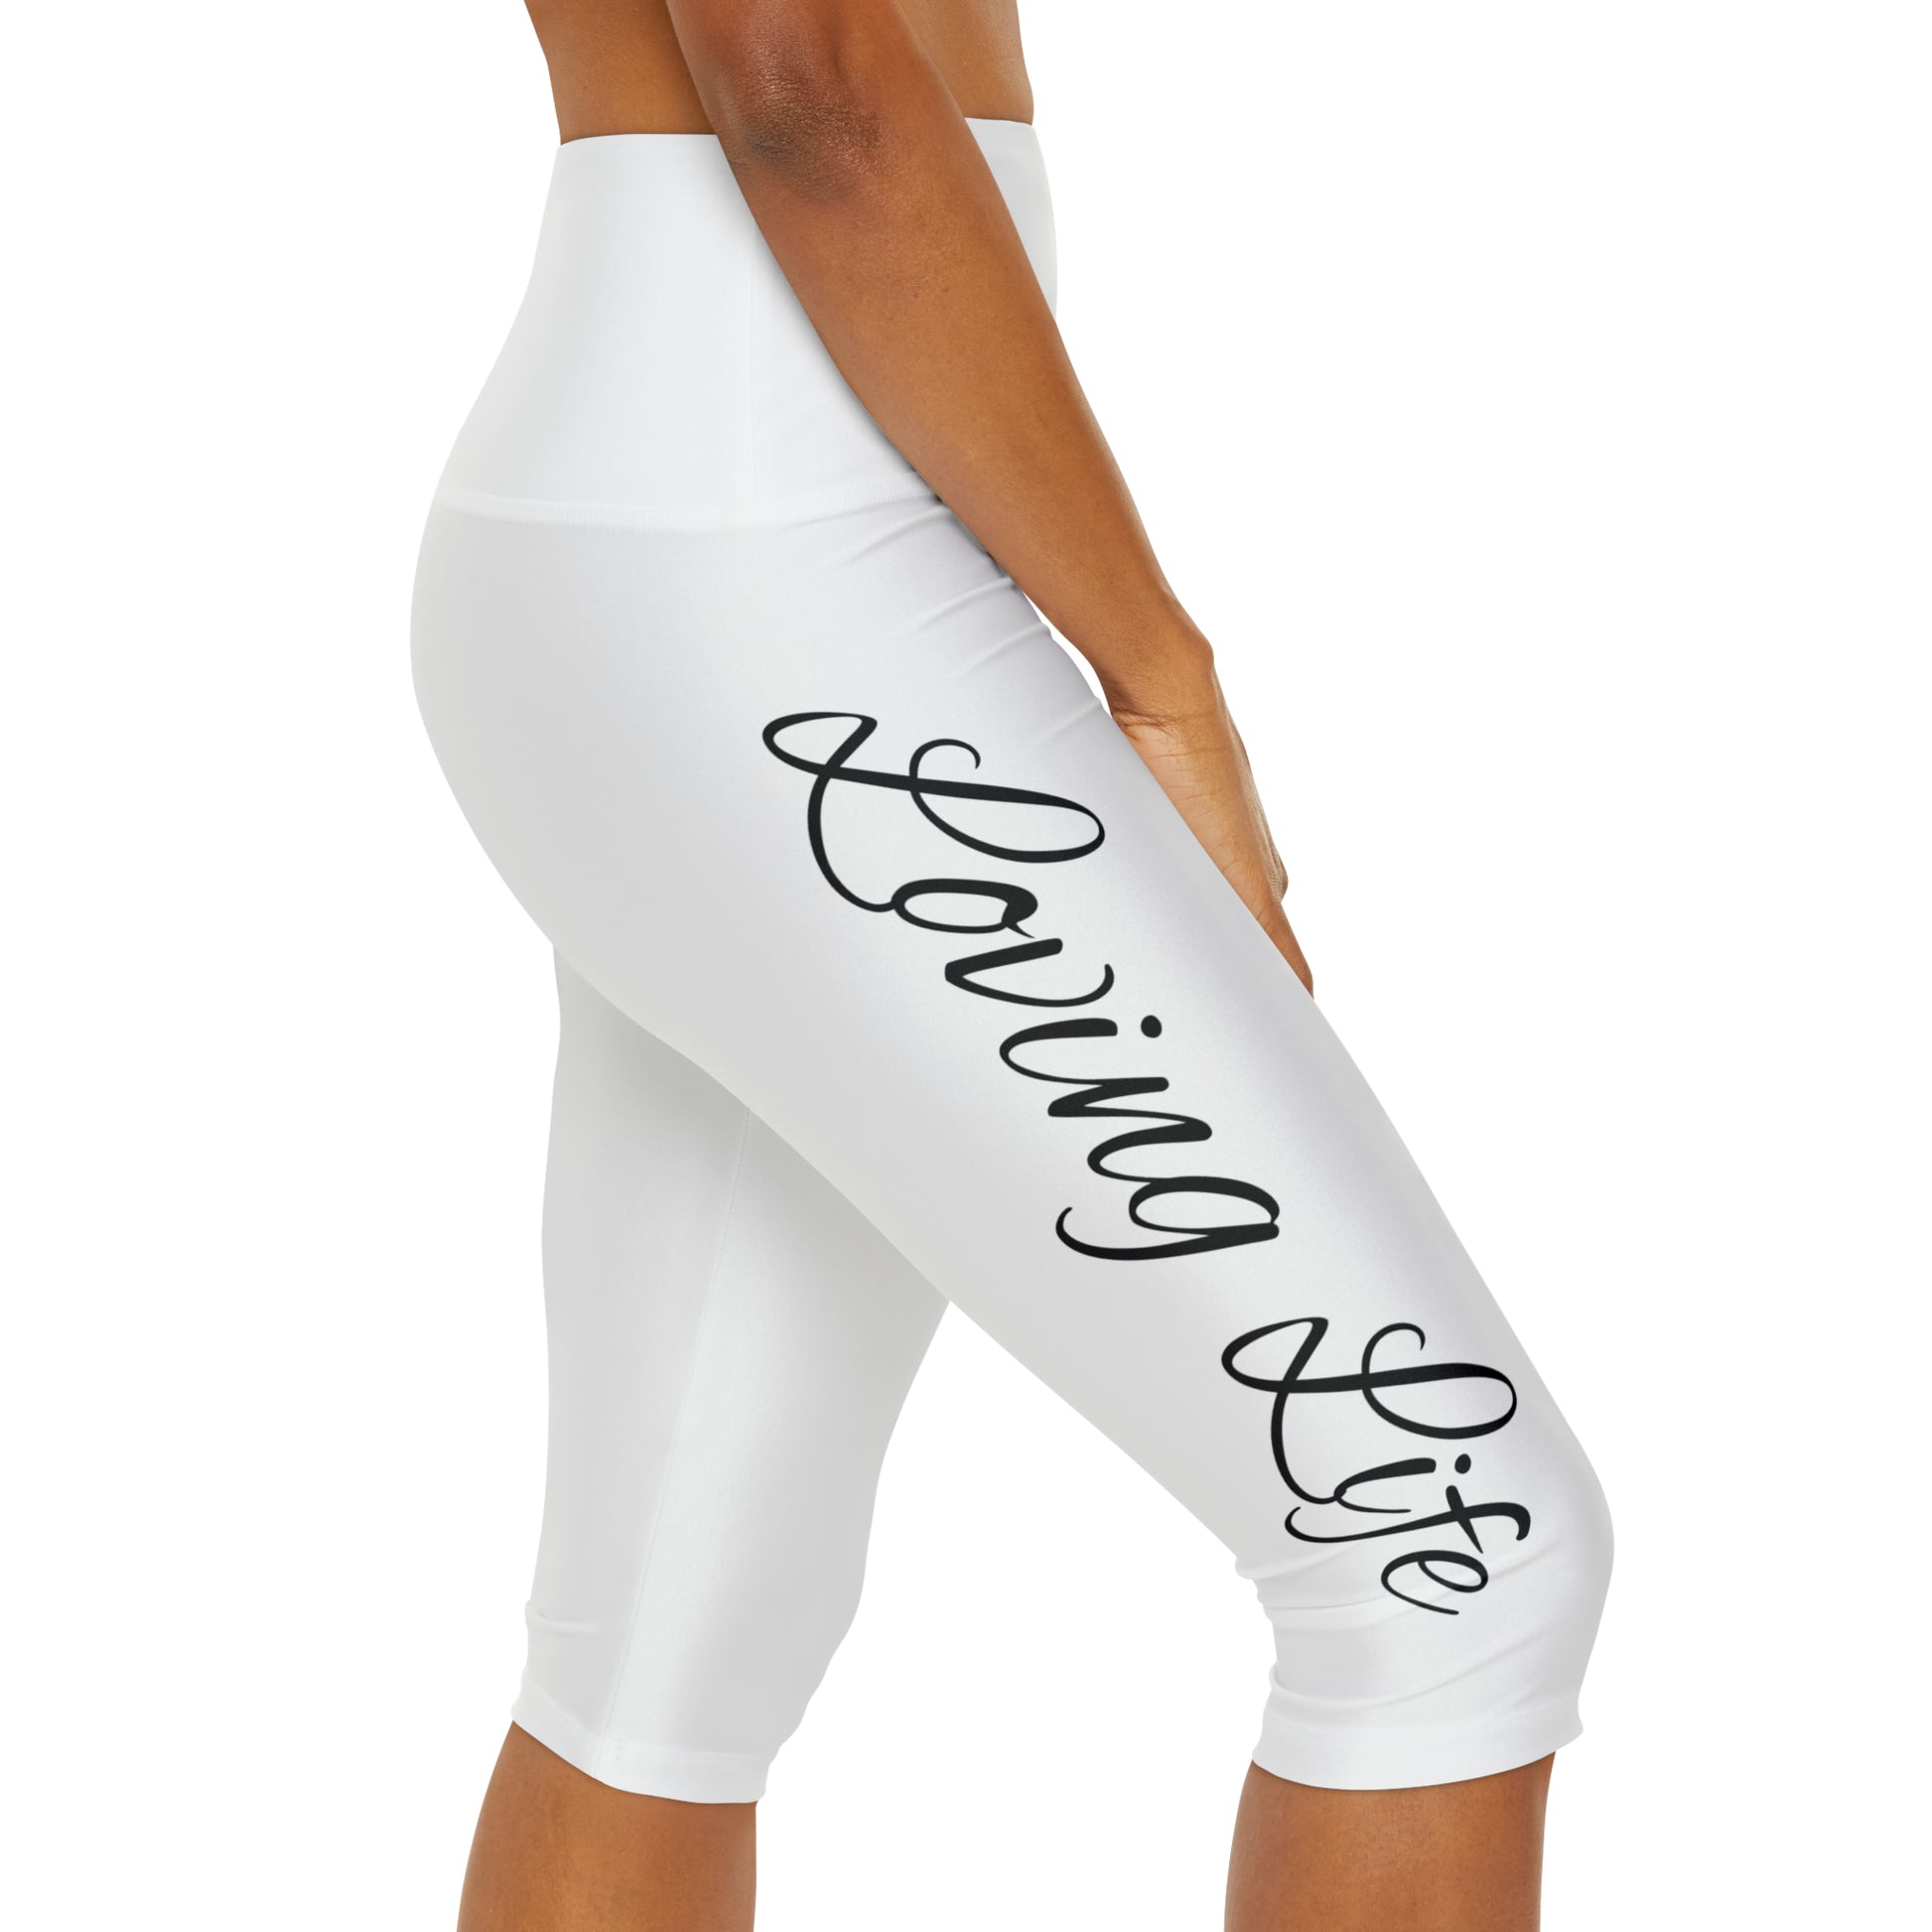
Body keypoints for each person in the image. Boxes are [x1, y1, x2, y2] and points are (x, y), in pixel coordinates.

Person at [410, 1, 1613, 1924]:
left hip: (702, 539)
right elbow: (804, 77)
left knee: (665, 1647)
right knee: (1449, 1551)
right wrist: (1159, 672)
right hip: (770, 569)